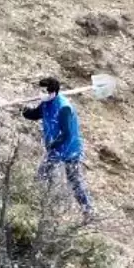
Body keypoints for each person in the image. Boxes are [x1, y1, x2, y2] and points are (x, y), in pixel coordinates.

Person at [21, 77, 94, 219]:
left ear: (52, 92)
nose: (41, 93)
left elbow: (66, 133)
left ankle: (87, 210)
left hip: (69, 147)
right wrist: (23, 110)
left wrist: (51, 145)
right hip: (55, 146)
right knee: (43, 175)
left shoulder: (64, 108)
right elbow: (35, 114)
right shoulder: (46, 103)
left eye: (44, 90)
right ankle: (44, 206)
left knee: (73, 180)